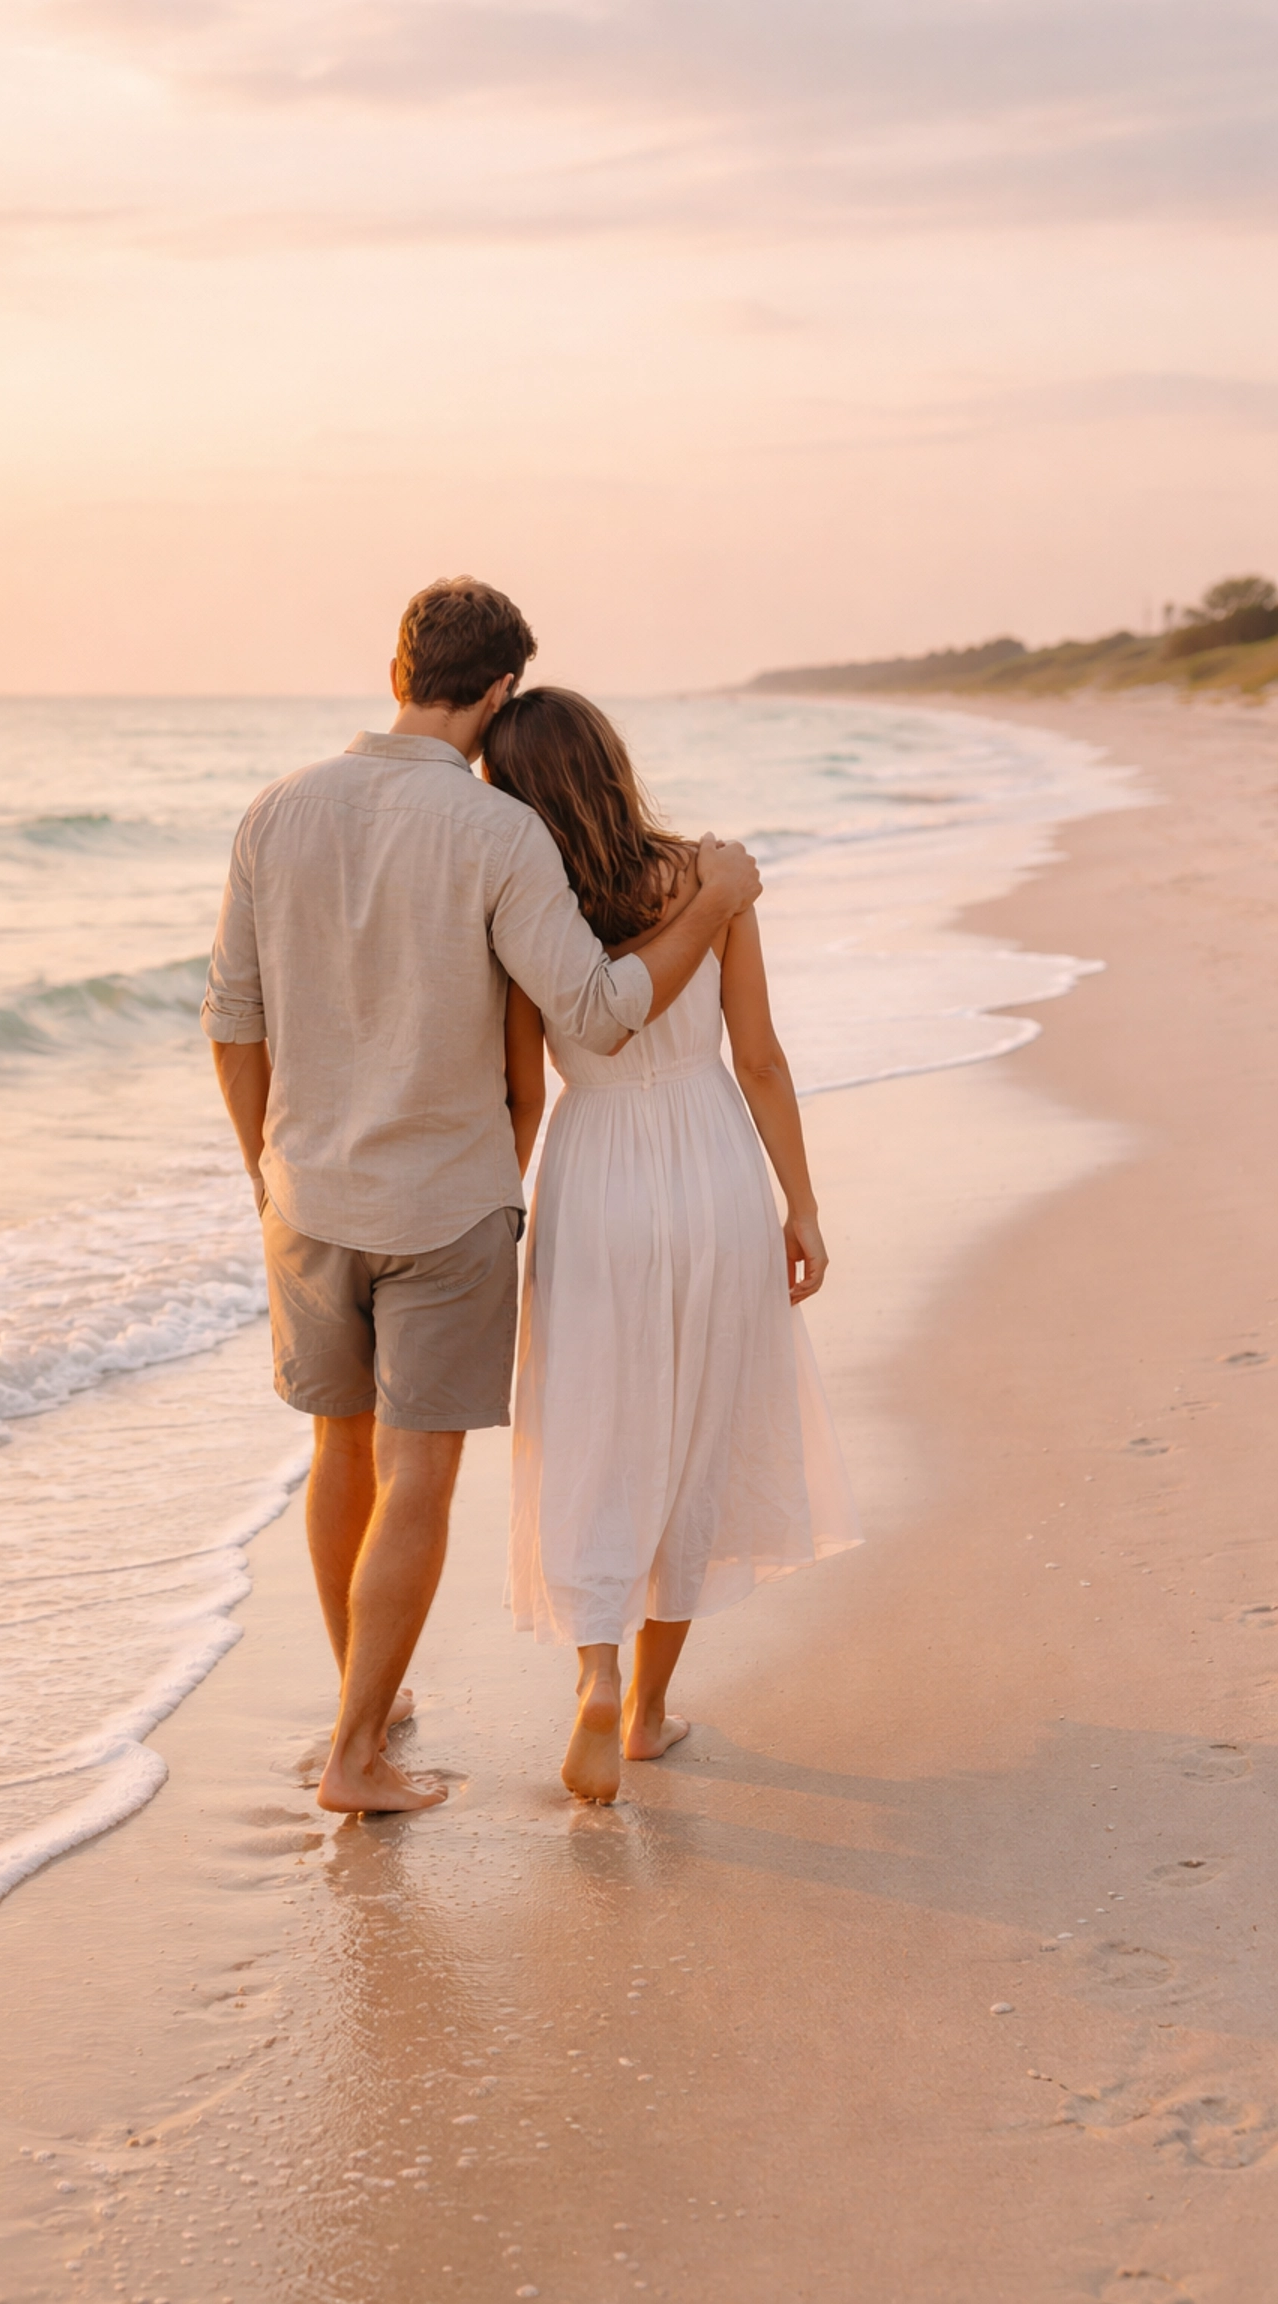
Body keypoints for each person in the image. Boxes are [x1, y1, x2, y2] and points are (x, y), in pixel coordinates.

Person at [202, 580, 763, 1814]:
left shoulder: (276, 808)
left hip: (305, 1192)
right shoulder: (500, 834)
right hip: (448, 1202)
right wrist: (719, 900)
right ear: (501, 689)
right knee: (417, 1471)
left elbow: (233, 1020)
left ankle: (368, 1703)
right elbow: (599, 1013)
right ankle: (358, 1752)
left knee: (336, 1447)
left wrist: (262, 1170)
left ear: (397, 669)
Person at [483, 687, 862, 1804]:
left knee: (596, 1432)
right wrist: (802, 1206)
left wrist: (499, 1218)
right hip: (711, 1167)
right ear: (612, 761)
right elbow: (761, 1058)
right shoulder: (710, 877)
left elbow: (523, 1091)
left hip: (593, 1175)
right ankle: (647, 1714)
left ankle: (597, 1674)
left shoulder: (526, 907)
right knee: (696, 1436)